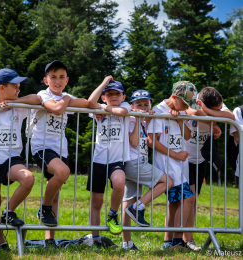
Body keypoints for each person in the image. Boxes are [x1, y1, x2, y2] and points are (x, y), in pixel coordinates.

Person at [0, 68, 41, 250]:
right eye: (15, 86)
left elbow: (37, 99)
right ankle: (1, 244)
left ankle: (9, 212)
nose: (18, 89)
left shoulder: (18, 105)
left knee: (28, 178)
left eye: (19, 86)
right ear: (1, 88)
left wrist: (14, 102)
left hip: (12, 157)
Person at [30, 60, 88, 248]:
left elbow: (89, 103)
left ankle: (50, 240)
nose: (57, 80)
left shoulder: (67, 96)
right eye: (53, 77)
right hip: (42, 147)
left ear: (67, 80)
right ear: (45, 80)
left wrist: (103, 86)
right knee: (63, 172)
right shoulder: (42, 95)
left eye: (61, 77)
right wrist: (67, 99)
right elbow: (56, 108)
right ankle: (44, 208)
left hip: (60, 149)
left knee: (55, 193)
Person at [183, 86, 234, 250]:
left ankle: (187, 240)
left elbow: (230, 116)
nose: (219, 110)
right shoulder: (190, 100)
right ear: (200, 102)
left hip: (200, 159)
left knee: (194, 200)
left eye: (219, 108)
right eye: (215, 110)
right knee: (188, 198)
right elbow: (194, 113)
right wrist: (212, 120)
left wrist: (210, 115)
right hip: (184, 158)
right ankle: (181, 239)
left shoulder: (215, 101)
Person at [121, 90, 173, 250]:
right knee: (167, 181)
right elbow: (134, 142)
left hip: (135, 164)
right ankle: (138, 207)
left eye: (146, 104)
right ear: (132, 106)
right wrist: (138, 118)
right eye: (139, 105)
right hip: (134, 163)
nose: (143, 107)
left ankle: (126, 244)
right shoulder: (131, 119)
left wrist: (146, 119)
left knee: (128, 201)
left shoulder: (144, 121)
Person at [147, 81, 197, 249]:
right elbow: (152, 141)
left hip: (179, 166)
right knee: (189, 198)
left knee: (175, 203)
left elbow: (188, 136)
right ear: (174, 97)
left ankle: (168, 242)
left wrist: (181, 119)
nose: (185, 107)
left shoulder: (180, 112)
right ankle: (177, 241)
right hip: (168, 166)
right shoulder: (159, 111)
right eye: (184, 103)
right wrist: (175, 154)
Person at [87, 76, 131, 247]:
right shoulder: (98, 107)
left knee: (119, 182)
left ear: (123, 97)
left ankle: (113, 213)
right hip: (98, 160)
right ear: (104, 95)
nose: (114, 97)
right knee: (96, 202)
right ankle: (95, 238)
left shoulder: (125, 106)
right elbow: (91, 101)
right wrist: (103, 83)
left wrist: (103, 107)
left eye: (117, 94)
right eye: (109, 94)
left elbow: (122, 112)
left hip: (116, 161)